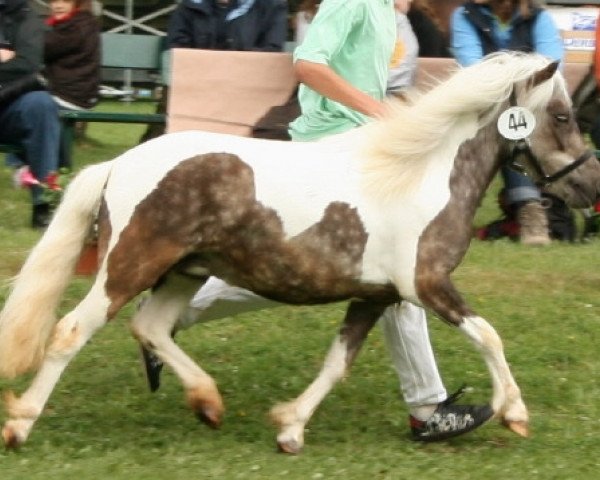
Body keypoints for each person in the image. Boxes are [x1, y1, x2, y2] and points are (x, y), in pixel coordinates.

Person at [141, 0, 492, 443]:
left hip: (360, 144)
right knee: (390, 273)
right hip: (332, 149)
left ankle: (170, 314)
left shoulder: (389, 11)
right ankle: (427, 408)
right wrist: (377, 110)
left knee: (359, 274)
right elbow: (307, 65)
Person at [451, 0, 563, 245]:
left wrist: (517, 91)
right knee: (509, 121)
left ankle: (529, 208)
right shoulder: (465, 15)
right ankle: (528, 207)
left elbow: (550, 68)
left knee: (513, 122)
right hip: (481, 105)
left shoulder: (538, 17)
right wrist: (516, 83)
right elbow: (474, 70)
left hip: (532, 107)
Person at [139, 0, 288, 142]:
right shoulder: (189, 5)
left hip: (248, 89)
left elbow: (272, 50)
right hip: (195, 87)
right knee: (168, 110)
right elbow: (177, 49)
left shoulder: (272, 5)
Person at [0, 0, 62, 228]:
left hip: (8, 103)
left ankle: (43, 204)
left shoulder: (25, 17)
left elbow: (27, 64)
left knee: (41, 105)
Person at [43, 0, 100, 169]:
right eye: (54, 1)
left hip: (70, 95)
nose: (58, 5)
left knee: (24, 104)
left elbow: (41, 48)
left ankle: (29, 165)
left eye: (65, 0)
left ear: (78, 3)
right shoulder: (76, 23)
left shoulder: (75, 27)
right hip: (73, 92)